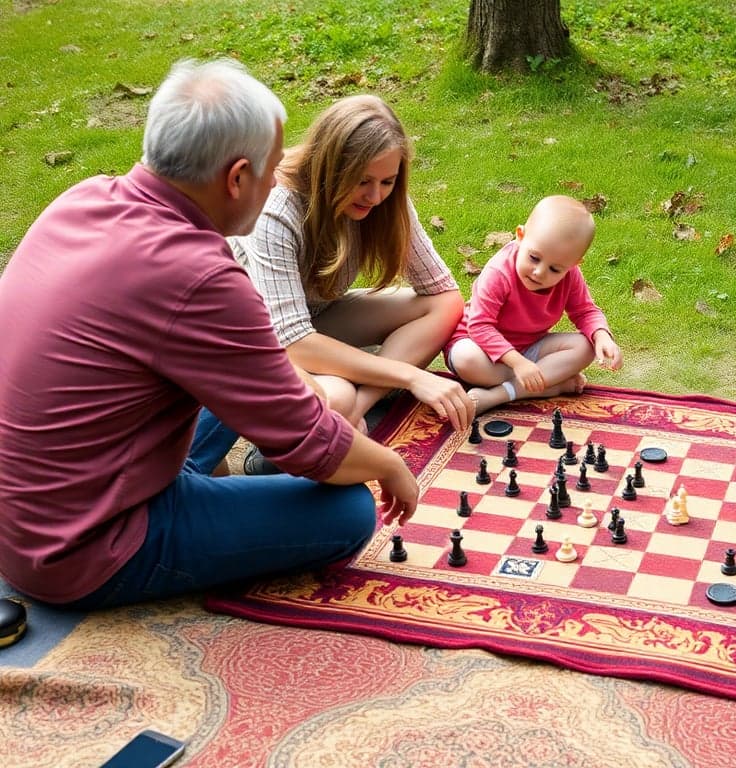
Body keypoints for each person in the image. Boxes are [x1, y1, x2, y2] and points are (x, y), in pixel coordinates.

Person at [0, 59, 418, 609]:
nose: (278, 182)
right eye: (273, 168)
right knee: (350, 511)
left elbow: (267, 375)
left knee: (269, 383)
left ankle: (208, 494)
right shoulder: (198, 276)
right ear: (237, 177)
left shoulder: (82, 199)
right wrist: (389, 464)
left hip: (25, 515)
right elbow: (312, 446)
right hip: (86, 547)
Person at [230, 94, 474, 455]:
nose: (375, 196)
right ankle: (273, 452)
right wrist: (412, 376)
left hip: (316, 317)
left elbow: (440, 289)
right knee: (337, 398)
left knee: (445, 304)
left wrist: (362, 403)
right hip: (258, 342)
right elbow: (292, 340)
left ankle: (361, 408)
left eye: (388, 181)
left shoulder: (384, 197)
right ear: (331, 166)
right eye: (362, 181)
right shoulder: (277, 207)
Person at [443, 195, 622, 413]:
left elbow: (585, 311)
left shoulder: (570, 275)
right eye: (534, 258)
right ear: (520, 236)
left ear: (574, 264)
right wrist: (519, 364)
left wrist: (602, 336)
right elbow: (480, 326)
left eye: (555, 269)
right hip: (478, 347)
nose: (539, 272)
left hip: (528, 348)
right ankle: (549, 383)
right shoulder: (499, 272)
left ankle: (499, 394)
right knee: (466, 358)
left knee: (586, 347)